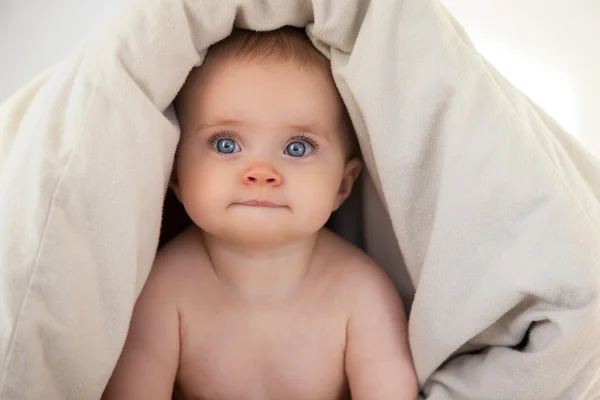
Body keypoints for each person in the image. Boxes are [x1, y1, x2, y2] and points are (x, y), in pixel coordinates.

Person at [102, 27, 418, 400]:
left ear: (342, 186)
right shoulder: (161, 290)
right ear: (175, 175)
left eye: (297, 147)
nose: (261, 171)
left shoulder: (362, 293)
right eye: (226, 143)